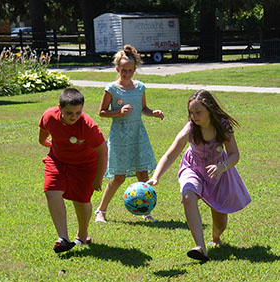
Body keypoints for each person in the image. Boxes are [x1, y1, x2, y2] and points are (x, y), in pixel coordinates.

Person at [147, 89, 251, 262]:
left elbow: (234, 155)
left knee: (220, 221)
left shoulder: (222, 126)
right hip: (192, 168)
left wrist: (221, 167)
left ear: (209, 110)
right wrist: (156, 176)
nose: (193, 116)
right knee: (188, 196)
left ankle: (215, 238)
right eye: (191, 112)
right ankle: (200, 248)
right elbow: (170, 154)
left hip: (217, 171)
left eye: (198, 112)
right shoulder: (190, 129)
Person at [94, 45, 164, 223]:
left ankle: (146, 211)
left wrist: (153, 112)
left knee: (143, 175)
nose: (126, 74)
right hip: (119, 136)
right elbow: (101, 112)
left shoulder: (140, 87)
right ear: (117, 69)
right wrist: (118, 112)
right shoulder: (111, 89)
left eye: (130, 71)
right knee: (119, 177)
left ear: (135, 70)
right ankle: (101, 211)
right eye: (123, 70)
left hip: (138, 135)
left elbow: (143, 109)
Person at [38, 88, 108, 253]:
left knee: (81, 200)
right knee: (51, 191)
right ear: (60, 108)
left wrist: (98, 178)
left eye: (78, 112)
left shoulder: (88, 126)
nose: (74, 117)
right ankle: (63, 238)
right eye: (69, 112)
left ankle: (82, 236)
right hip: (57, 161)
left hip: (84, 164)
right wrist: (45, 143)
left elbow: (102, 151)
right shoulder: (50, 115)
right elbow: (43, 132)